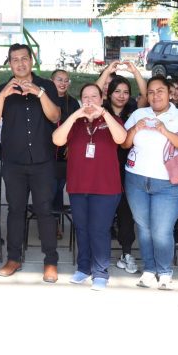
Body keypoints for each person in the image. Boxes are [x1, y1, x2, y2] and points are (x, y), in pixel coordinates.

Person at [0, 44, 62, 282]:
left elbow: (55, 116)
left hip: (42, 161)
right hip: (13, 162)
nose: (20, 63)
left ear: (32, 60)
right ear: (9, 63)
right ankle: (13, 258)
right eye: (15, 60)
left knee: (45, 210)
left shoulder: (47, 85)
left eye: (24, 58)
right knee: (15, 210)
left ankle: (50, 261)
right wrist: (3, 96)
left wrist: (39, 93)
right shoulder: (1, 90)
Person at [122, 76, 178, 290]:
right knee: (143, 228)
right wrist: (135, 128)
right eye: (151, 92)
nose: (155, 96)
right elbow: (124, 143)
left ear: (169, 93)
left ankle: (164, 271)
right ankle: (149, 269)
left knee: (161, 230)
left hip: (169, 183)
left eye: (160, 91)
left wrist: (165, 131)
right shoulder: (139, 114)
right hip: (136, 179)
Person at [52, 83, 127, 290]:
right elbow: (57, 140)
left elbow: (121, 138)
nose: (90, 100)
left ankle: (100, 272)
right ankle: (84, 268)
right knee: (82, 228)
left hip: (106, 187)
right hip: (78, 185)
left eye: (94, 96)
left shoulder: (112, 120)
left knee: (99, 230)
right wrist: (75, 116)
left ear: (102, 99)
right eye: (85, 96)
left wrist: (105, 114)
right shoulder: (75, 122)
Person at [102, 76, 139, 273]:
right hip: (103, 168)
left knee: (126, 213)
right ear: (109, 93)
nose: (121, 96)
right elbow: (93, 90)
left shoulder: (134, 112)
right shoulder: (101, 110)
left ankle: (126, 253)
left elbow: (146, 94)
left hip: (127, 168)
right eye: (117, 91)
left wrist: (135, 71)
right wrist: (108, 70)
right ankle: (99, 254)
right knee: (103, 213)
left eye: (126, 92)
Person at [50, 69, 81, 216]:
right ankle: (48, 218)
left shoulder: (73, 103)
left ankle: (55, 218)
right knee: (48, 187)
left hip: (64, 154)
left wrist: (72, 145)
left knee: (58, 186)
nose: (63, 83)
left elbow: (79, 126)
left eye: (66, 80)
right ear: (51, 81)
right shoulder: (44, 99)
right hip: (45, 152)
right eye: (59, 79)